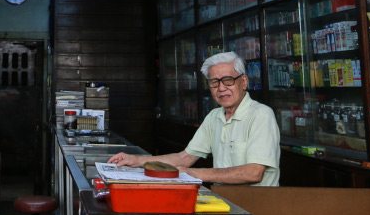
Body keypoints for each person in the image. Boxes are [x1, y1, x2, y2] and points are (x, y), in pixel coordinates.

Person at [108, 51, 280, 186]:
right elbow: (184, 159)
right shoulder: (214, 117)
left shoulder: (260, 115)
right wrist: (136, 160)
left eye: (228, 80)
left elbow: (254, 173)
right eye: (214, 82)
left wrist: (198, 173)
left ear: (243, 82)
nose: (221, 88)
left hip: (258, 205)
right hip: (226, 202)